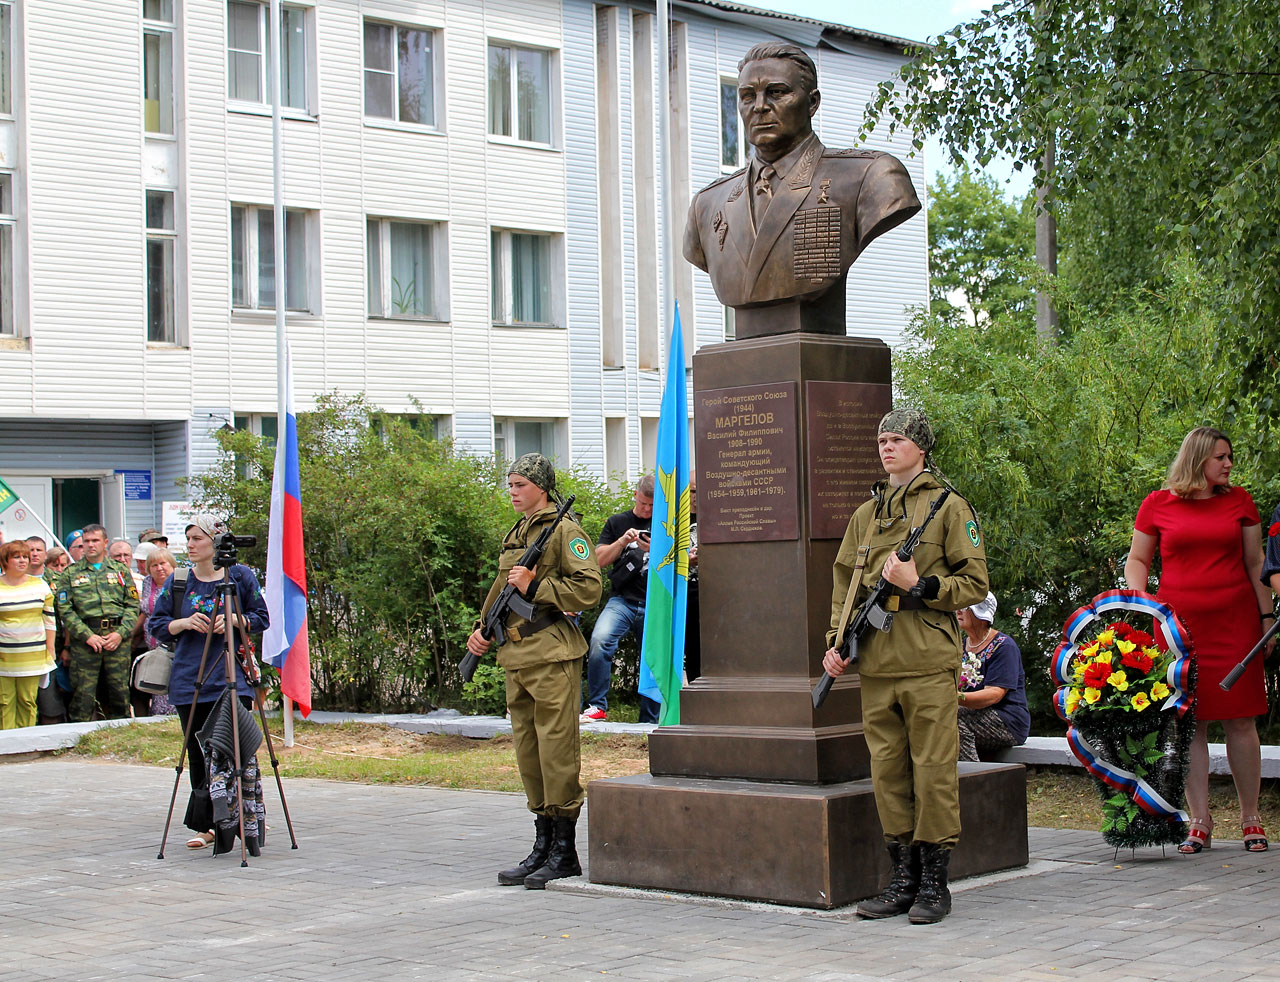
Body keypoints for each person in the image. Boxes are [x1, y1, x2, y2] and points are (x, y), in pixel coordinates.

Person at [823, 408, 988, 924]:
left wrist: (921, 585)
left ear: (920, 446)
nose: (886, 448)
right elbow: (844, 586)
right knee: (887, 771)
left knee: (933, 770)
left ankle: (935, 882)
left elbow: (975, 583)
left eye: (897, 439)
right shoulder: (865, 516)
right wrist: (837, 642)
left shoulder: (949, 507)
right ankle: (903, 877)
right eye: (882, 440)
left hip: (926, 658)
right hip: (876, 661)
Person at [684, 42, 920, 340]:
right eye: (747, 96)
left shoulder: (871, 177)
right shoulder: (706, 205)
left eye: (777, 92)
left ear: (812, 103)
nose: (759, 106)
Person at [1125, 426, 1271, 854]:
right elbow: (1138, 559)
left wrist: (1266, 618)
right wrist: (1141, 602)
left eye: (1230, 457)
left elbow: (1256, 561)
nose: (1229, 464)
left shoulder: (1240, 501)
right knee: (1190, 723)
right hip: (1177, 629)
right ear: (1198, 459)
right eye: (1221, 457)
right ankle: (1200, 822)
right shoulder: (1157, 503)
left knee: (1242, 720)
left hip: (1237, 624)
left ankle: (1250, 818)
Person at [465, 454, 602, 889]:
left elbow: (590, 588)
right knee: (529, 753)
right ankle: (542, 845)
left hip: (552, 656)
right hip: (516, 658)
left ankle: (564, 851)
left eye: (520, 484)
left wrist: (537, 587)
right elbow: (502, 586)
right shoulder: (518, 532)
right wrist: (481, 629)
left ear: (541, 487)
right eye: (510, 484)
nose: (513, 490)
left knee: (556, 751)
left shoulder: (564, 530)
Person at [149, 515, 269, 850]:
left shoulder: (240, 575)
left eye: (197, 538)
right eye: (187, 539)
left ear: (215, 541)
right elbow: (157, 625)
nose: (190, 545)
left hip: (231, 676)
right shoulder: (179, 579)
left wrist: (234, 619)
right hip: (190, 678)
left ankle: (246, 816)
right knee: (199, 754)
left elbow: (263, 618)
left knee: (235, 750)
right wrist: (183, 623)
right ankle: (209, 823)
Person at [581, 475, 656, 723]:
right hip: (622, 600)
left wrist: (653, 550)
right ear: (635, 495)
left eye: (652, 505)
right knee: (600, 640)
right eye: (644, 503)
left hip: (656, 602)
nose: (646, 509)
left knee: (654, 656)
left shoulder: (667, 523)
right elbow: (598, 560)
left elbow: (680, 562)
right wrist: (623, 541)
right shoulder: (617, 522)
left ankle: (651, 718)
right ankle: (597, 706)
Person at [55, 524, 139, 722]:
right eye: (86, 541)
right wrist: (87, 635)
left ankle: (121, 740)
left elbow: (133, 605)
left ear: (105, 543)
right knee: (82, 696)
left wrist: (120, 633)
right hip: (86, 640)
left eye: (95, 541)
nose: (90, 545)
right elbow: (65, 609)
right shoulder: (70, 573)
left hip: (116, 639)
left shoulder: (120, 571)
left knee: (119, 693)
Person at [956, 592, 1029, 762]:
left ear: (981, 614)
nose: (958, 611)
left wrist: (953, 698)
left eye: (965, 607)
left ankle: (972, 779)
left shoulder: (1004, 646)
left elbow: (994, 694)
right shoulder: (960, 646)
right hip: (972, 714)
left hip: (1007, 720)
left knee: (949, 719)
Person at [0, 541, 56, 729]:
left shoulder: (40, 585)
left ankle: (27, 741)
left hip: (33, 655)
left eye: (25, 556)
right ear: (5, 561)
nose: (23, 560)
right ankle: (6, 744)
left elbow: (49, 621)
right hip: (4, 657)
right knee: (5, 702)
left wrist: (50, 649)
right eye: (17, 557)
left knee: (28, 700)